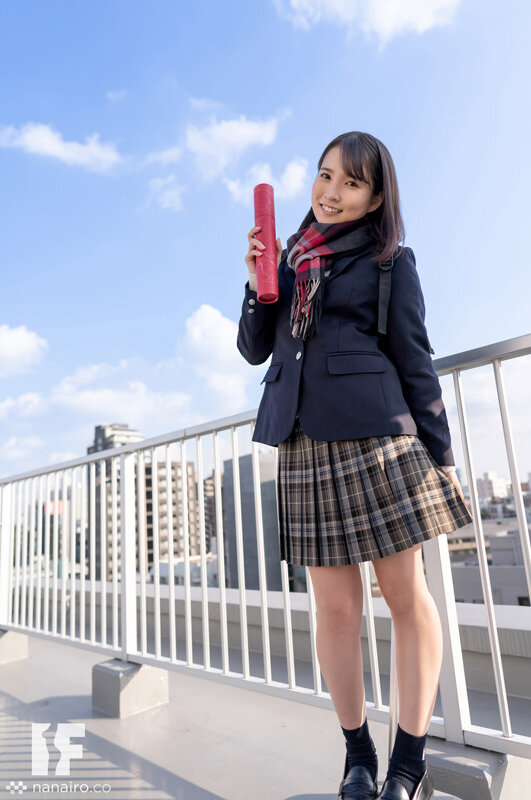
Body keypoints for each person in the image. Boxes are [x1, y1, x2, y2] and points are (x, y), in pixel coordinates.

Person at [236, 131, 473, 800]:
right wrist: (256, 283)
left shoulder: (389, 260)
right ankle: (358, 759)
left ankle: (407, 764)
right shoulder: (288, 260)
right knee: (335, 610)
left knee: (404, 597)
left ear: (375, 198)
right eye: (324, 175)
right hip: (304, 441)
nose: (331, 192)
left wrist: (442, 457)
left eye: (350, 182)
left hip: (377, 440)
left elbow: (415, 360)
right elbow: (254, 350)